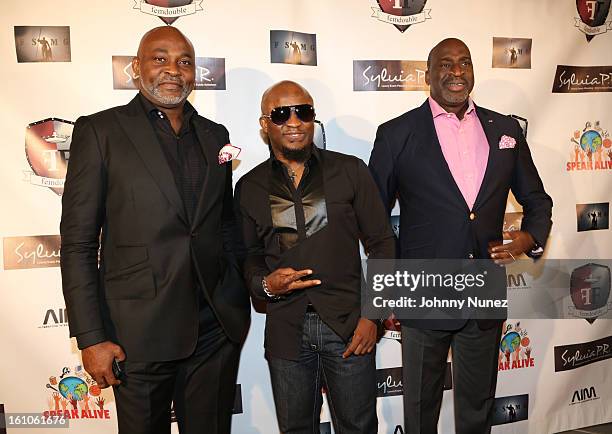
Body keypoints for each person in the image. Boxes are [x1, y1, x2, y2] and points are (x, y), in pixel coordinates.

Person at [60, 26, 250, 434]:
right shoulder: (100, 132)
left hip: (214, 330)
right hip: (136, 335)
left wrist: (237, 291)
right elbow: (77, 243)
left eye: (184, 61)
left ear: (195, 74)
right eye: (159, 58)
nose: (173, 70)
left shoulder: (216, 136)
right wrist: (92, 337)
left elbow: (224, 224)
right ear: (136, 68)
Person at [369, 38, 552, 434]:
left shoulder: (504, 129)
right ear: (428, 75)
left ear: (473, 71)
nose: (456, 72)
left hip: (483, 291)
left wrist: (529, 237)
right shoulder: (395, 134)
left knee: (477, 409)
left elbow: (537, 199)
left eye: (464, 64)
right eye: (446, 65)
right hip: (422, 292)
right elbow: (374, 221)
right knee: (420, 411)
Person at [235, 80, 395, 433]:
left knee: (358, 427)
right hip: (286, 330)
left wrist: (373, 316)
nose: (294, 121)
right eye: (281, 114)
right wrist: (266, 284)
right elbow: (247, 256)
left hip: (349, 327)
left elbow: (383, 243)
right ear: (265, 125)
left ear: (313, 118)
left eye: (303, 112)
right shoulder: (249, 186)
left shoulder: (350, 170)